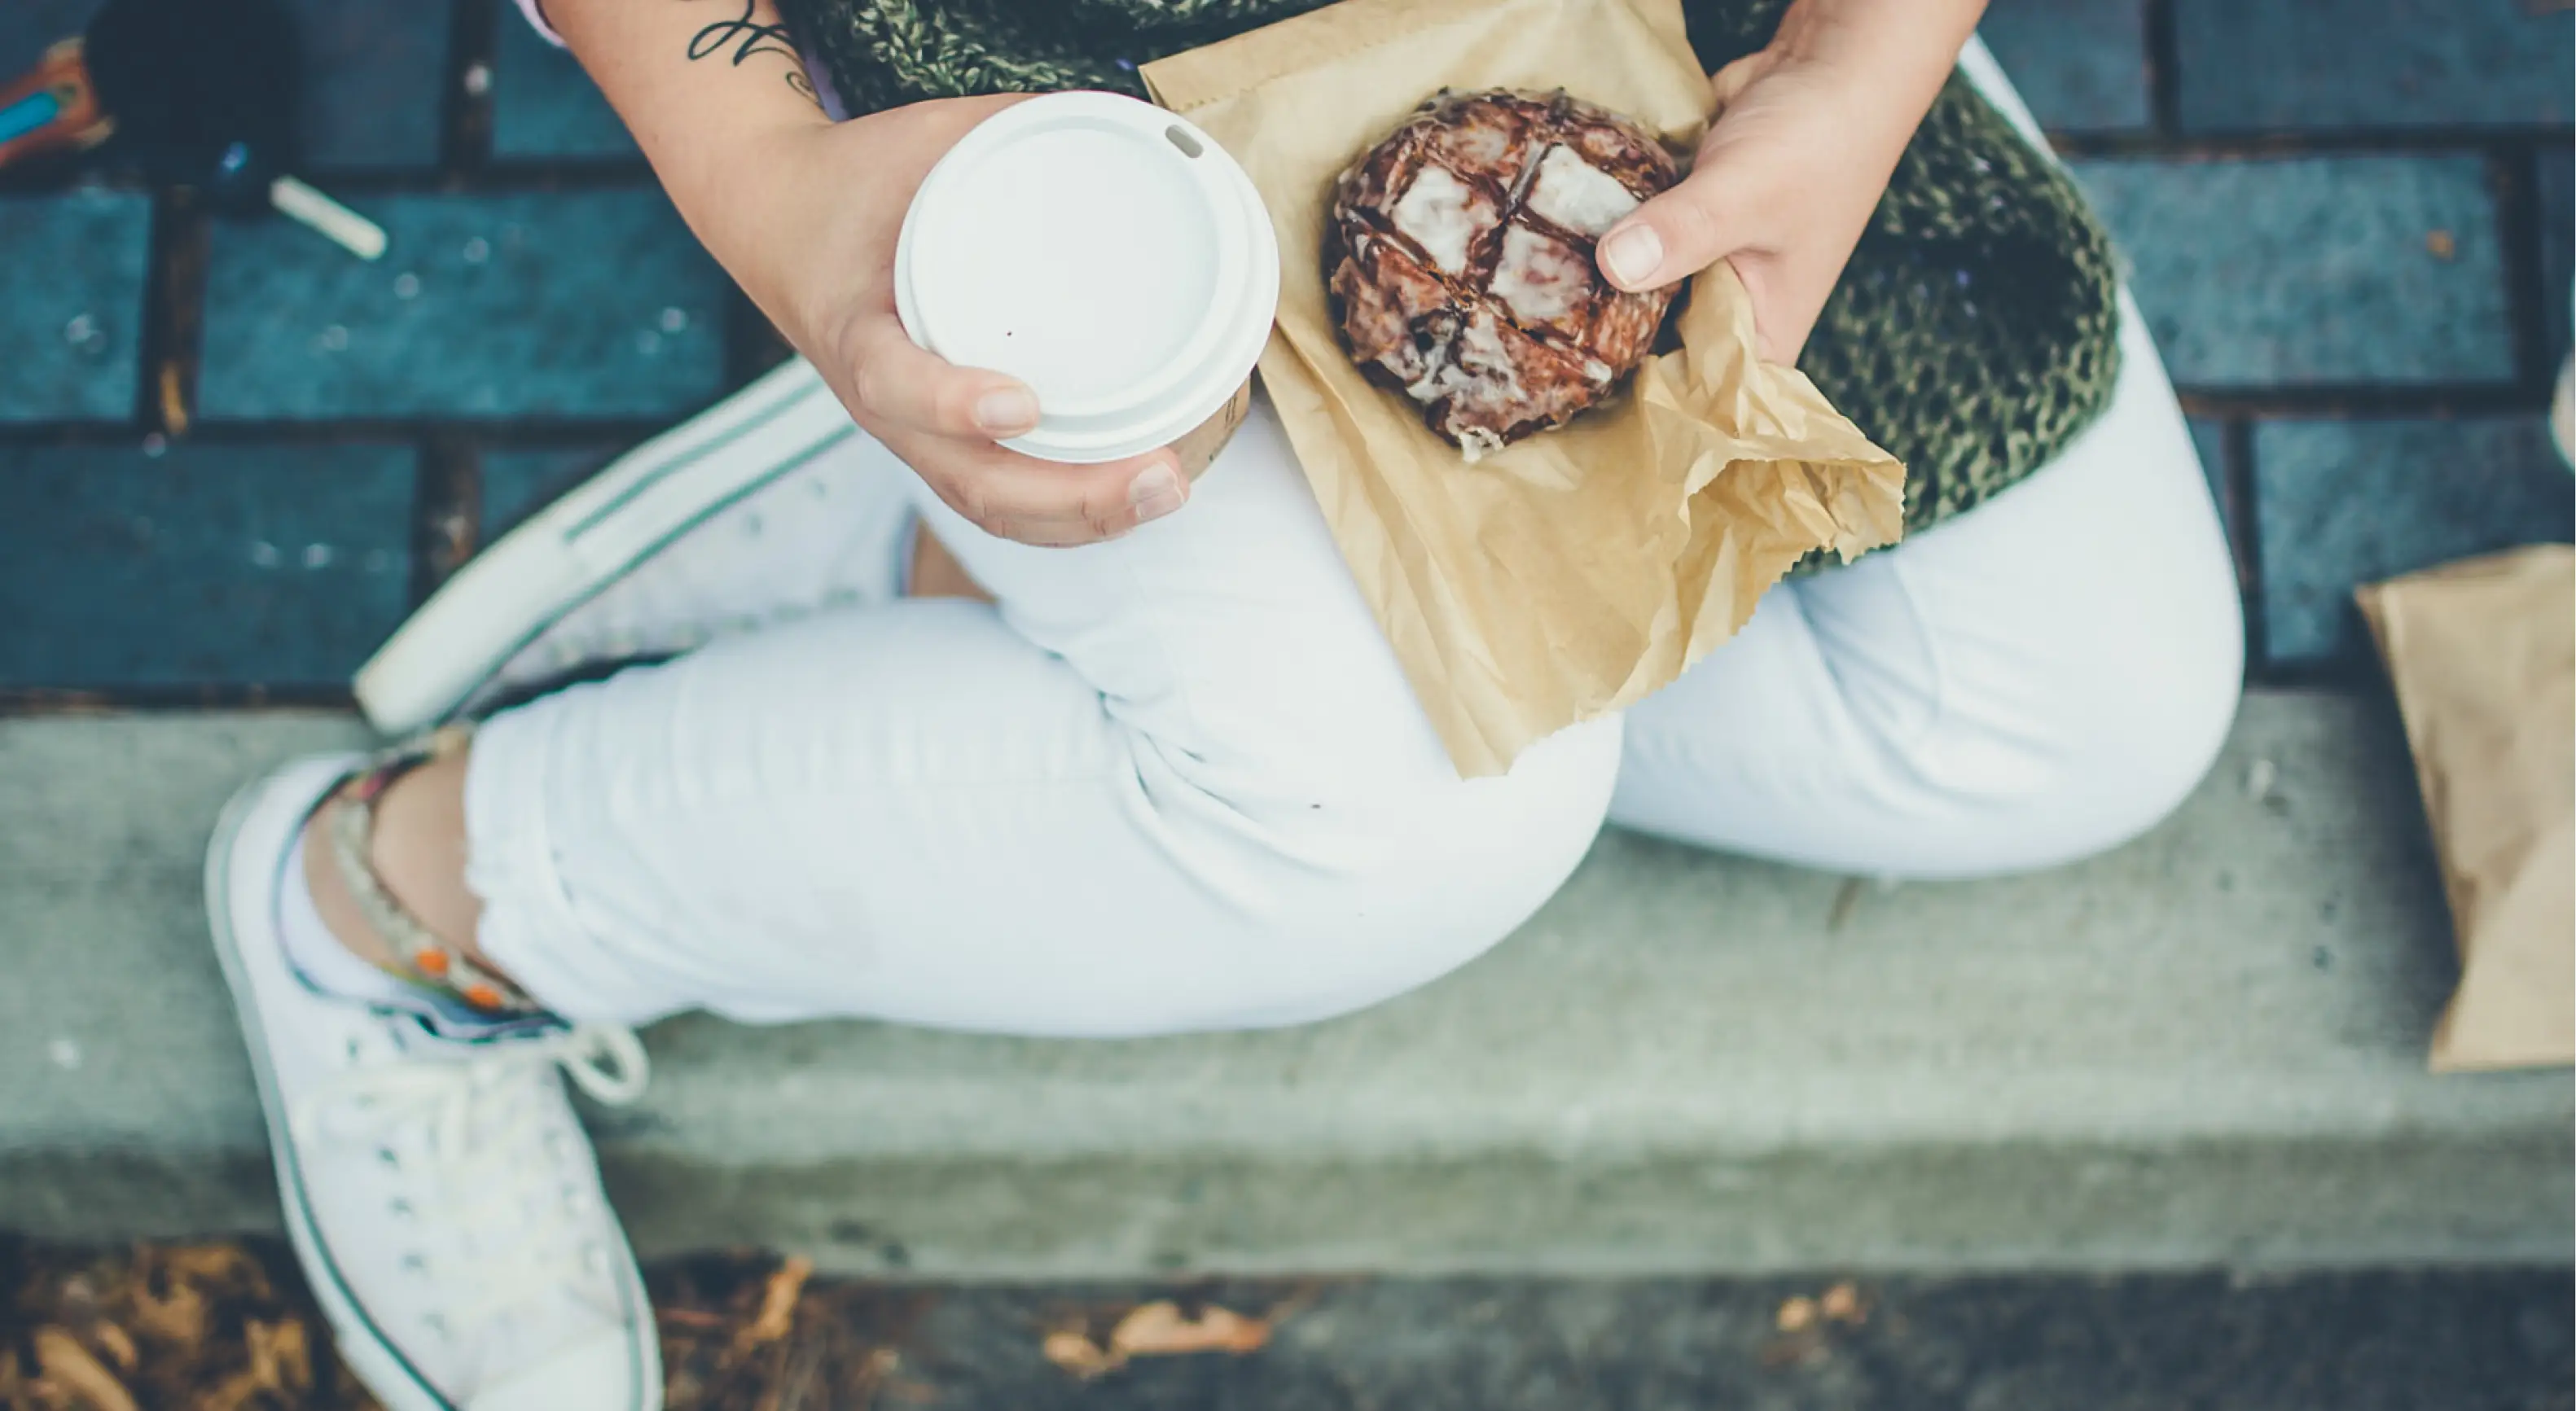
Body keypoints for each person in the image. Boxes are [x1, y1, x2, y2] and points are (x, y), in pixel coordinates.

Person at [202, 0, 2243, 1404]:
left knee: (2087, 713)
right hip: (1046, 90)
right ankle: (400, 911)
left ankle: (970, 557)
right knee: (1415, 823)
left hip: (1627, 44)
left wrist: (1860, 65)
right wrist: (772, 188)